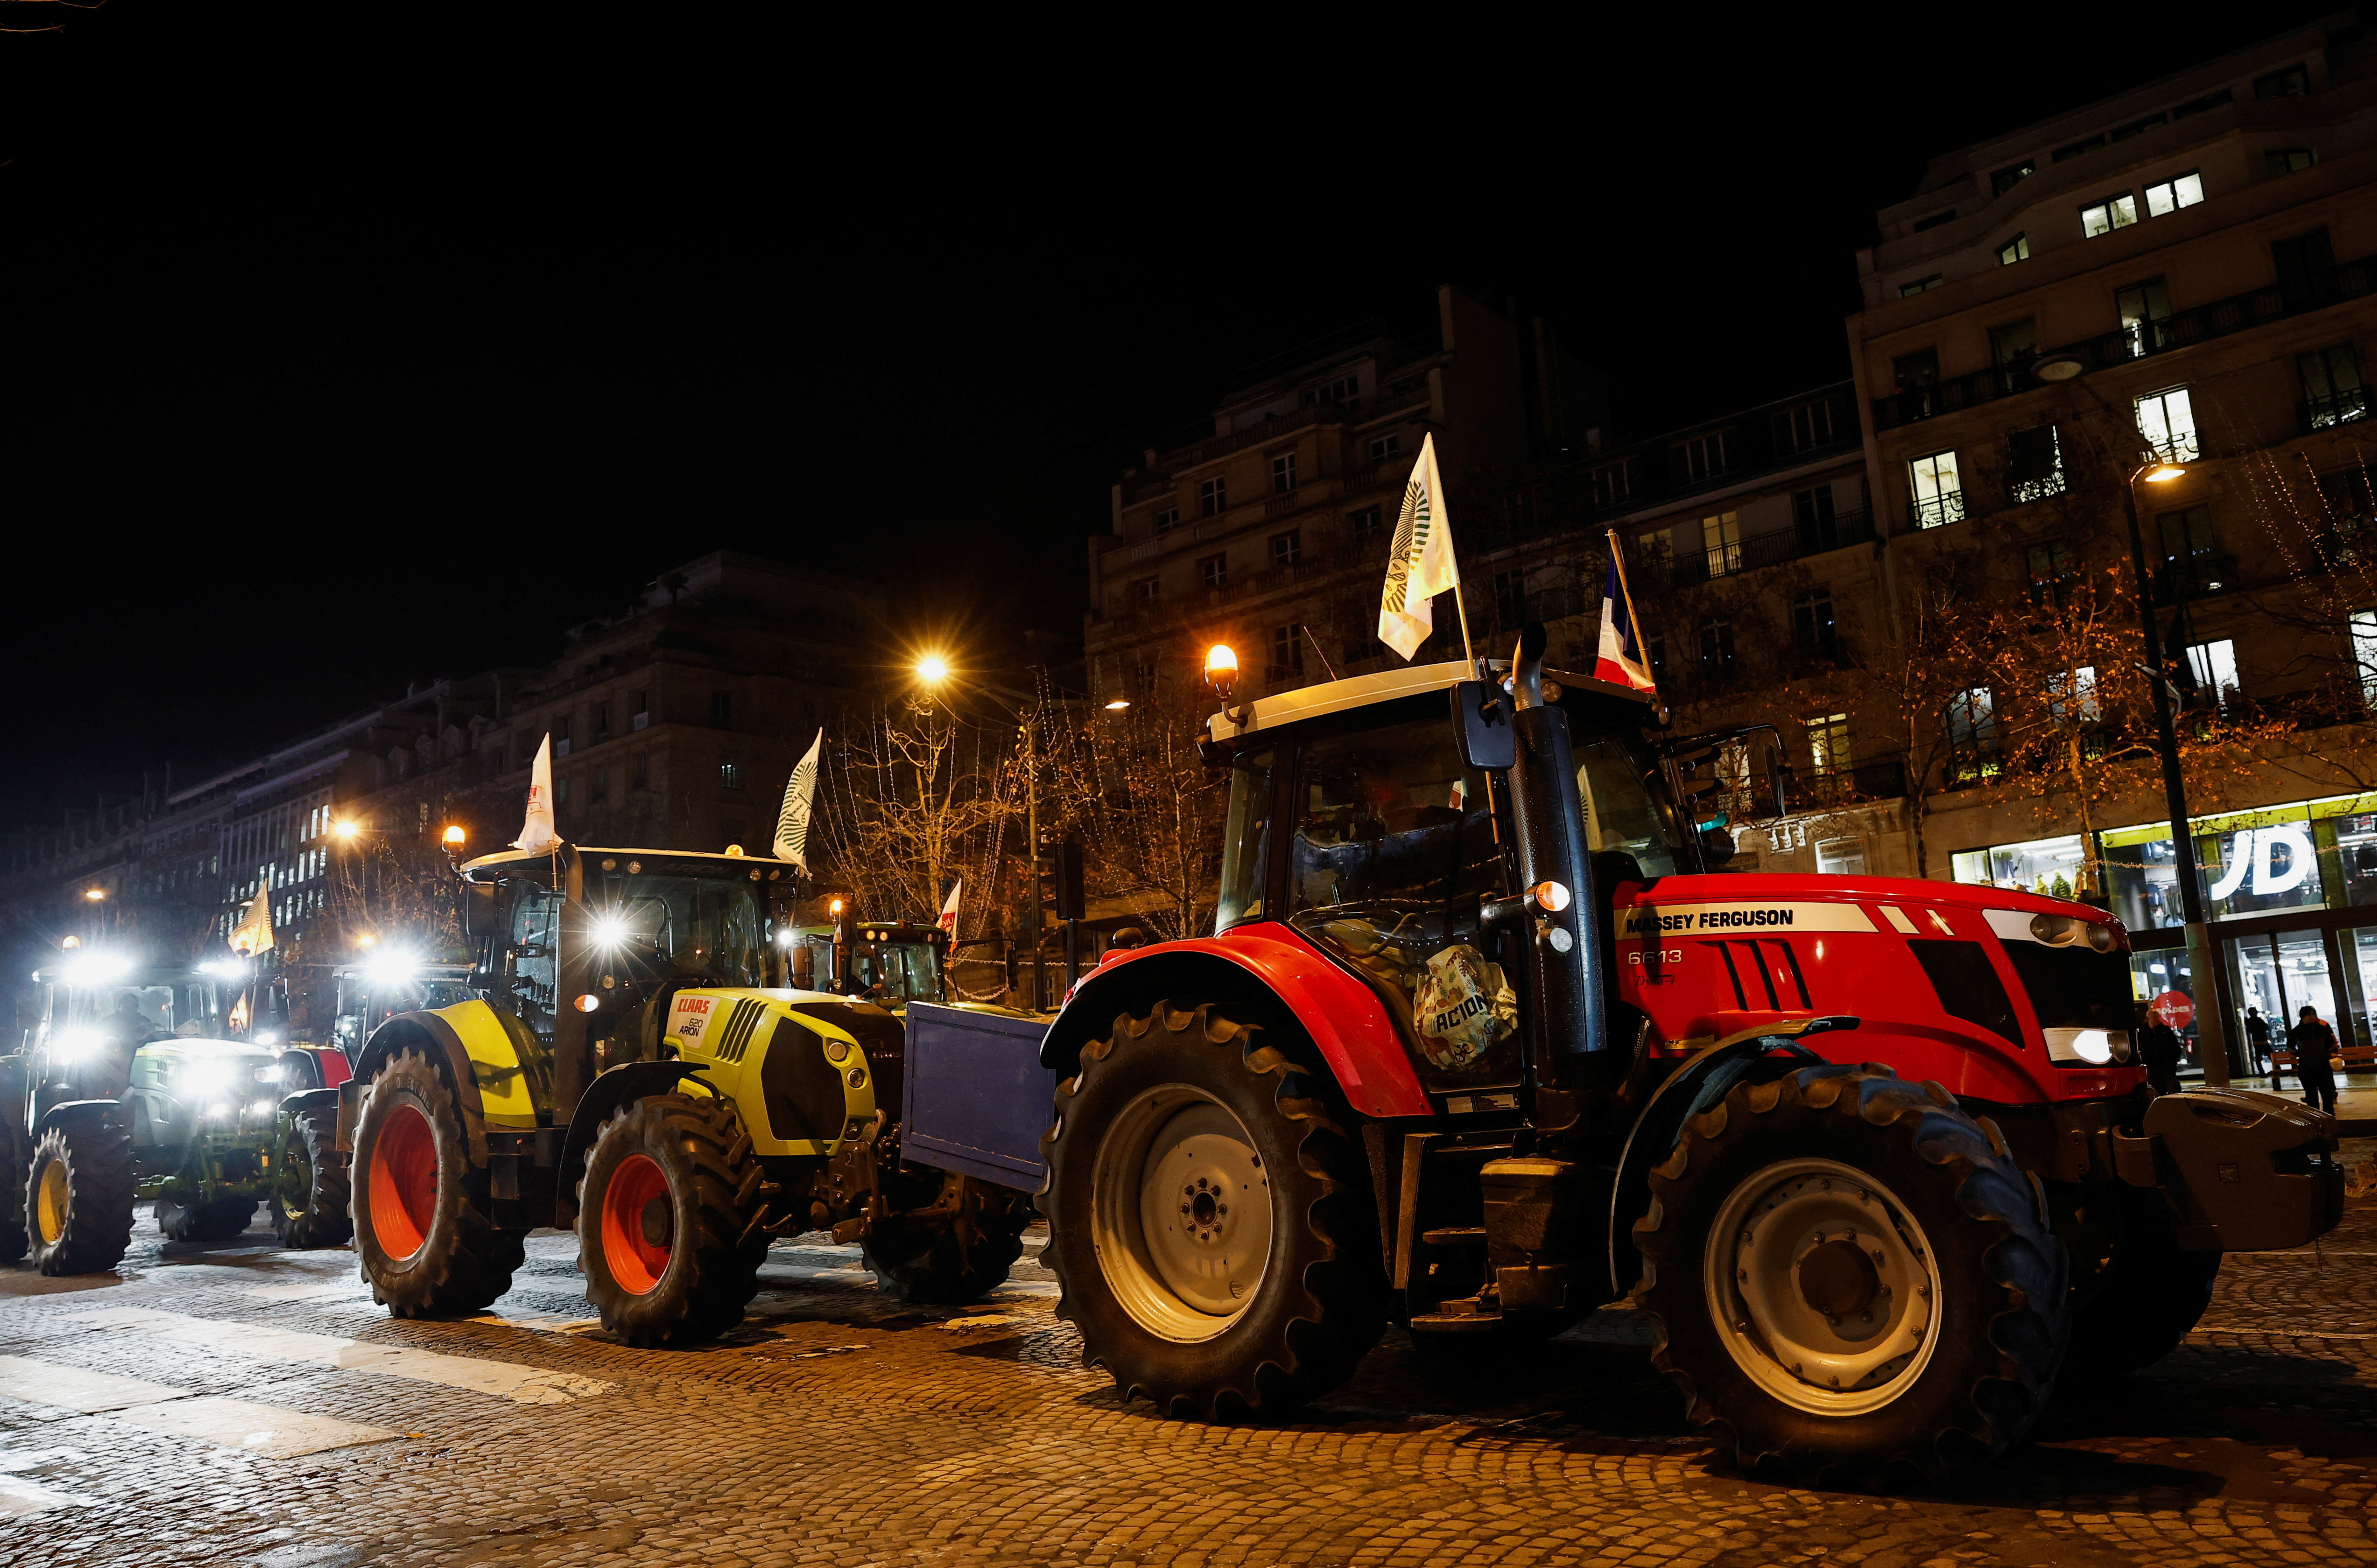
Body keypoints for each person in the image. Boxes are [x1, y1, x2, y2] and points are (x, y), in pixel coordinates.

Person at [2289, 1005, 2340, 1115]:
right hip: (2306, 1066)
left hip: (2322, 1065)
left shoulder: (2321, 1029)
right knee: (2311, 1093)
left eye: (2313, 1014)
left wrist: (2326, 1053)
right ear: (2303, 1016)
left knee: (2326, 1093)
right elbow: (2290, 1047)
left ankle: (2328, 1115)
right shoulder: (2297, 1031)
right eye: (2309, 1014)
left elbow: (2332, 1043)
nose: (2312, 1016)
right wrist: (2299, 1054)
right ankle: (2315, 1115)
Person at [2139, 1010, 2185, 1096]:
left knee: (2173, 1089)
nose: (2157, 1019)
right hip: (2152, 1067)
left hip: (2167, 1066)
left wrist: (2173, 1062)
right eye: (2154, 1017)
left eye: (2157, 1017)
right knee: (2157, 1089)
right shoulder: (2143, 1033)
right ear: (2148, 1019)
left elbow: (2175, 1047)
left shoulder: (2166, 1030)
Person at [2244, 1006, 2272, 1078]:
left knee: (2259, 1058)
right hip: (2263, 1041)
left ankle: (2262, 1073)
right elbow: (2266, 1027)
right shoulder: (2258, 1020)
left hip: (2257, 1042)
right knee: (2271, 1056)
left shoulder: (2249, 1022)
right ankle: (2278, 1069)